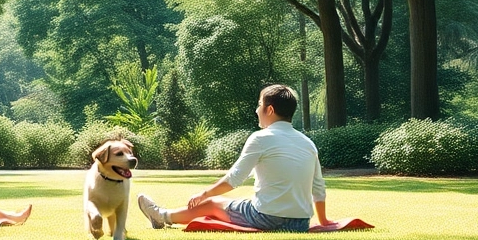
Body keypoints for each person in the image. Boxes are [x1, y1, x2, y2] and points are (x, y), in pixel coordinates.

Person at [138, 84, 333, 232]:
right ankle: (163, 215)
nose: (257, 110)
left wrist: (204, 194)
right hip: (300, 223)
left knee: (213, 203)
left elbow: (234, 178)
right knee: (242, 202)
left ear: (270, 110)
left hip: (267, 218)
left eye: (259, 105)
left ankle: (162, 216)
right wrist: (322, 221)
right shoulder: (308, 143)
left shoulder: (260, 138)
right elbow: (318, 187)